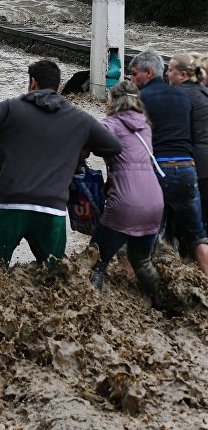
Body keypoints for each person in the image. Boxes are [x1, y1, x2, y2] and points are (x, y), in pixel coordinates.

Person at [0, 59, 122, 269]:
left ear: (32, 83)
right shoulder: (80, 120)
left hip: (9, 205)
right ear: (58, 86)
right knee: (55, 279)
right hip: (52, 211)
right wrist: (80, 149)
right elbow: (113, 146)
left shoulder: (9, 109)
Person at [129, 49, 208, 275]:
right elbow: (191, 136)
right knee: (198, 235)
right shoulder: (183, 96)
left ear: (149, 73)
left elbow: (137, 140)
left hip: (159, 170)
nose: (133, 79)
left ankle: (150, 291)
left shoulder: (142, 99)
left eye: (135, 74)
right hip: (187, 169)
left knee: (151, 232)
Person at [89, 81, 164, 294]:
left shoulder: (109, 125)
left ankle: (90, 313)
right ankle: (161, 302)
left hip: (126, 203)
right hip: (154, 201)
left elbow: (87, 142)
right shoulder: (146, 126)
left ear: (112, 101)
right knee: (141, 260)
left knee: (95, 261)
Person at [167, 54, 208, 229]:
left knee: (184, 219)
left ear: (183, 74)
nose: (167, 74)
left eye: (169, 70)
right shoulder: (202, 92)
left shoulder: (177, 95)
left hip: (195, 163)